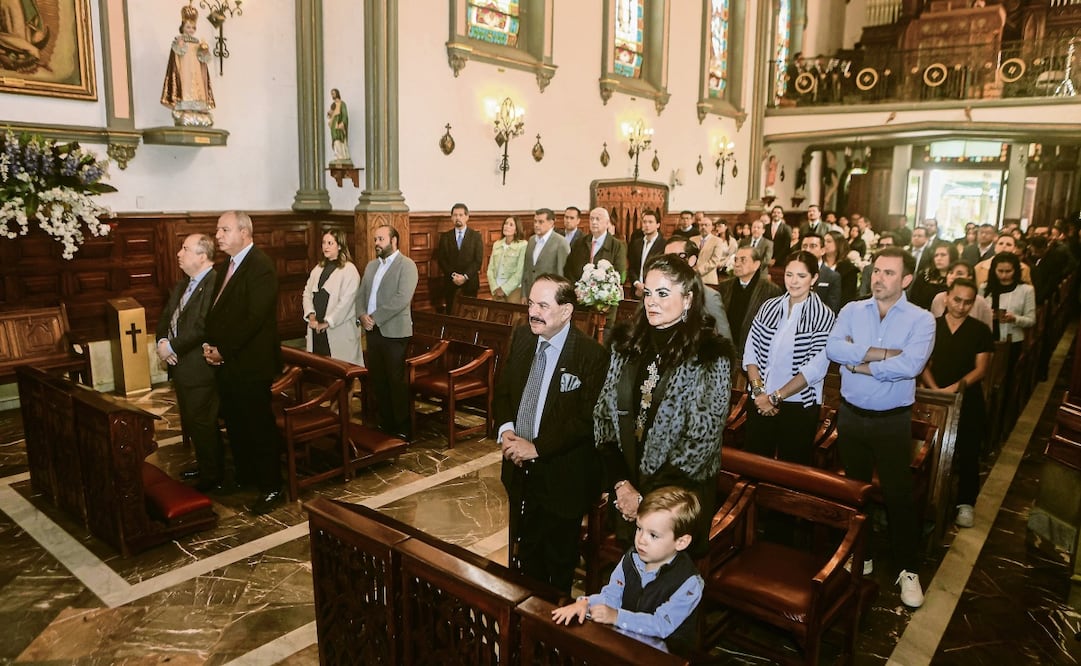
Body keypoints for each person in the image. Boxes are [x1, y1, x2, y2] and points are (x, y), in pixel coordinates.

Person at [595, 254, 734, 554]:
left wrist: (646, 497)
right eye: (647, 293)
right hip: (626, 491)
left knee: (664, 593)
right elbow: (604, 420)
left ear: (687, 299)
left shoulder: (710, 355)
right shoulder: (626, 345)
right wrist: (622, 485)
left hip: (678, 500)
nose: (651, 302)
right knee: (629, 584)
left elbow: (700, 442)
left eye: (662, 293)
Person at [826, 247, 936, 609]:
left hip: (892, 421)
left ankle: (908, 570)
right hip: (852, 415)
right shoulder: (852, 310)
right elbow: (833, 349)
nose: (878, 278)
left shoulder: (921, 319)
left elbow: (911, 365)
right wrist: (884, 353)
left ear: (905, 280)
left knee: (897, 496)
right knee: (853, 492)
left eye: (888, 273)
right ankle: (863, 555)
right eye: (876, 271)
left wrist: (859, 360)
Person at [494, 274, 608, 595]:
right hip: (519, 471)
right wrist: (506, 432)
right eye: (531, 303)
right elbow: (503, 392)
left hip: (563, 477)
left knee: (557, 566)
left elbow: (585, 420)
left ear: (567, 311)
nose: (534, 312)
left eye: (543, 305)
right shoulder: (522, 338)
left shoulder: (591, 355)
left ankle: (551, 633)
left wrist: (537, 448)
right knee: (524, 559)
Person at [551, 486, 704, 649]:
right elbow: (611, 595)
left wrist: (616, 617)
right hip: (626, 641)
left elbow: (661, 625)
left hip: (666, 654)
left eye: (653, 535)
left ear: (681, 542)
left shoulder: (689, 582)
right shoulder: (631, 559)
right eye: (639, 529)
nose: (641, 540)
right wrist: (586, 603)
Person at [203, 211, 284, 515]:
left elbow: (254, 317)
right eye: (217, 230)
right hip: (228, 361)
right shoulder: (228, 265)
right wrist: (212, 345)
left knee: (258, 425)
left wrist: (224, 348)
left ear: (245, 232)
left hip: (251, 362)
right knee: (235, 423)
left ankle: (272, 486)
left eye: (224, 229)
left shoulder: (261, 266)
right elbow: (220, 311)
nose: (218, 236)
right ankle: (246, 476)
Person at [744, 251, 835, 465]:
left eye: (801, 276)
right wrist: (759, 393)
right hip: (759, 398)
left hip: (797, 405)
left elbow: (815, 369)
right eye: (789, 274)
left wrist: (775, 398)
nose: (793, 281)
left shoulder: (824, 315)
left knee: (791, 469)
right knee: (754, 465)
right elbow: (751, 351)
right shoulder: (770, 307)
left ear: (814, 278)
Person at [920, 278, 992, 530]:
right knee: (928, 450)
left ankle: (965, 503)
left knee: (968, 450)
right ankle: (926, 501)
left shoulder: (980, 330)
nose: (961, 306)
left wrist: (953, 389)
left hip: (966, 397)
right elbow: (922, 362)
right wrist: (935, 390)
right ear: (946, 298)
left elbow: (981, 369)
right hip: (933, 395)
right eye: (957, 300)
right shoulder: (930, 326)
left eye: (967, 302)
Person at [155, 233, 221, 492]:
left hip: (198, 367)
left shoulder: (214, 283)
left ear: (202, 256)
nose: (179, 254)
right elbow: (166, 317)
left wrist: (173, 346)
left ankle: (213, 475)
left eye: (185, 249)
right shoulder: (185, 284)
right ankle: (205, 465)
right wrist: (162, 342)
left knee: (203, 421)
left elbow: (203, 325)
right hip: (180, 365)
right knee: (193, 420)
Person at [356, 225, 419, 440]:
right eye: (375, 239)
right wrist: (362, 314)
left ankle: (403, 427)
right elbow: (361, 294)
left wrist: (375, 318)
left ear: (394, 241)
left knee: (395, 381)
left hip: (394, 333)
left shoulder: (407, 265)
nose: (377, 243)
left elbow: (402, 298)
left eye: (381, 239)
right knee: (379, 379)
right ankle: (386, 423)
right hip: (372, 331)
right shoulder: (372, 266)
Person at [302, 230, 363, 365]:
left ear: (339, 246)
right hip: (317, 328)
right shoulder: (318, 268)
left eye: (330, 243)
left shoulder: (349, 270)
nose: (326, 247)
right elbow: (307, 293)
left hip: (338, 330)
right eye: (324, 243)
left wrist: (327, 322)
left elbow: (346, 303)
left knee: (341, 368)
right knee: (320, 367)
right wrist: (311, 315)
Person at [718, 245, 783, 362]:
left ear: (756, 264)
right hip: (725, 349)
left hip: (754, 353)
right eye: (736, 259)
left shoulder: (771, 291)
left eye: (743, 260)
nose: (737, 264)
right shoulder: (725, 286)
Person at [664, 238, 733, 342]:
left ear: (692, 260)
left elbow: (725, 340)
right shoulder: (660, 293)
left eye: (676, 257)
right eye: (666, 259)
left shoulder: (708, 296)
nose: (669, 264)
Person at [160, 3, 214, 127]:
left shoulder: (197, 43)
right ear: (183, 27)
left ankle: (198, 107)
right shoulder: (180, 41)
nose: (190, 30)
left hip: (196, 72)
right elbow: (177, 54)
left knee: (198, 87)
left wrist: (204, 50)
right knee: (185, 86)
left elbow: (204, 59)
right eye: (188, 27)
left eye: (193, 27)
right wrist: (180, 45)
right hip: (184, 70)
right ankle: (185, 108)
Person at [435, 203, 483, 313]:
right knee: (451, 314)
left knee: (469, 314)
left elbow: (478, 261)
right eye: (455, 215)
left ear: (467, 217)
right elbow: (442, 260)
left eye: (461, 215)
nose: (458, 218)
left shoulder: (476, 236)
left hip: (470, 283)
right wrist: (453, 275)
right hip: (451, 282)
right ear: (451, 218)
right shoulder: (445, 237)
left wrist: (465, 276)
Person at [565, 206, 628, 283]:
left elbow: (620, 274)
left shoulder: (617, 246)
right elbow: (569, 268)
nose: (594, 222)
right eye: (591, 219)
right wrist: (577, 287)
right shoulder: (580, 243)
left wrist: (601, 288)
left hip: (604, 292)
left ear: (607, 223)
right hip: (578, 291)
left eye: (598, 219)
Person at [522, 208, 570, 298]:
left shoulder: (560, 242)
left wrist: (559, 296)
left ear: (551, 223)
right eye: (535, 221)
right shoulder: (531, 240)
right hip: (531, 293)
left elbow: (561, 273)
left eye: (541, 222)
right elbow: (526, 270)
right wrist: (523, 294)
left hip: (549, 295)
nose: (536, 225)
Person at [930, 260, 993, 328]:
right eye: (951, 273)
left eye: (959, 274)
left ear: (970, 277)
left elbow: (987, 331)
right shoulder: (938, 298)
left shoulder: (980, 302)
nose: (953, 277)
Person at [486, 216, 527, 303]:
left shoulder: (523, 245)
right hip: (496, 287)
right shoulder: (497, 244)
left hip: (514, 288)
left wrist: (504, 289)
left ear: (516, 230)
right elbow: (490, 270)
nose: (506, 226)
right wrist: (494, 287)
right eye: (506, 223)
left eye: (511, 225)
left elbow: (520, 273)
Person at [907, 241, 958, 310]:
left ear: (952, 256)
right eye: (936, 255)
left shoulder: (957, 277)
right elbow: (913, 300)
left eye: (943, 255)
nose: (938, 258)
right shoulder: (924, 275)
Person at [628, 209, 666, 296]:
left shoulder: (664, 244)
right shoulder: (636, 243)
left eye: (650, 222)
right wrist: (637, 284)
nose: (647, 225)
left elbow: (663, 270)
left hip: (655, 291)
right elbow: (632, 267)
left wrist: (647, 287)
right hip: (637, 290)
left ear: (658, 225)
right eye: (644, 222)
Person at [800, 232, 841, 313]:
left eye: (813, 246)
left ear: (822, 250)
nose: (807, 250)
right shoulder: (792, 273)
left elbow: (832, 308)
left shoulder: (832, 276)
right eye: (804, 246)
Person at [823, 230, 859, 306]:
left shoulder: (849, 269)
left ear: (838, 244)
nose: (824, 244)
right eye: (823, 241)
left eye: (829, 241)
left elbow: (848, 296)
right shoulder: (818, 264)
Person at [691, 217, 725, 286]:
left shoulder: (717, 241)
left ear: (712, 227)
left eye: (706, 225)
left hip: (709, 279)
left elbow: (715, 260)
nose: (703, 227)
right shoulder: (692, 239)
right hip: (693, 278)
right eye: (701, 225)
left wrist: (699, 270)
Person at [327, 88, 351, 165]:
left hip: (339, 124)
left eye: (333, 93)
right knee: (335, 140)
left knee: (339, 140)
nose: (332, 95)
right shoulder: (333, 105)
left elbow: (345, 115)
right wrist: (329, 114)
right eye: (331, 94)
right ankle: (337, 156)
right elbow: (330, 115)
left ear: (337, 94)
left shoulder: (342, 104)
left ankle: (342, 156)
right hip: (334, 125)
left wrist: (343, 123)